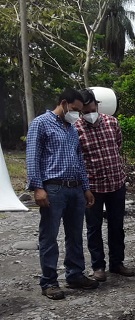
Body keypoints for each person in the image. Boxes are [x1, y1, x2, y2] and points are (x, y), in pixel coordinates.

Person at [26, 88, 99, 300]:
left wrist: (86, 188)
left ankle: (75, 274)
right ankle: (49, 281)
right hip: (53, 187)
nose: (77, 114)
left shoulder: (72, 128)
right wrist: (37, 188)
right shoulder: (41, 123)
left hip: (75, 188)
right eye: (75, 109)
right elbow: (32, 158)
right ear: (64, 103)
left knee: (75, 234)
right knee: (49, 236)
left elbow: (79, 161)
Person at [75, 89, 134, 282]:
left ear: (97, 105)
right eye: (84, 112)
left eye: (91, 109)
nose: (89, 114)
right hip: (92, 187)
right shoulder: (76, 129)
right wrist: (85, 188)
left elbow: (118, 145)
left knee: (117, 226)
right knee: (94, 227)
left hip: (116, 182)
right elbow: (78, 158)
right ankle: (98, 266)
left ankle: (117, 263)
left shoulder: (112, 122)